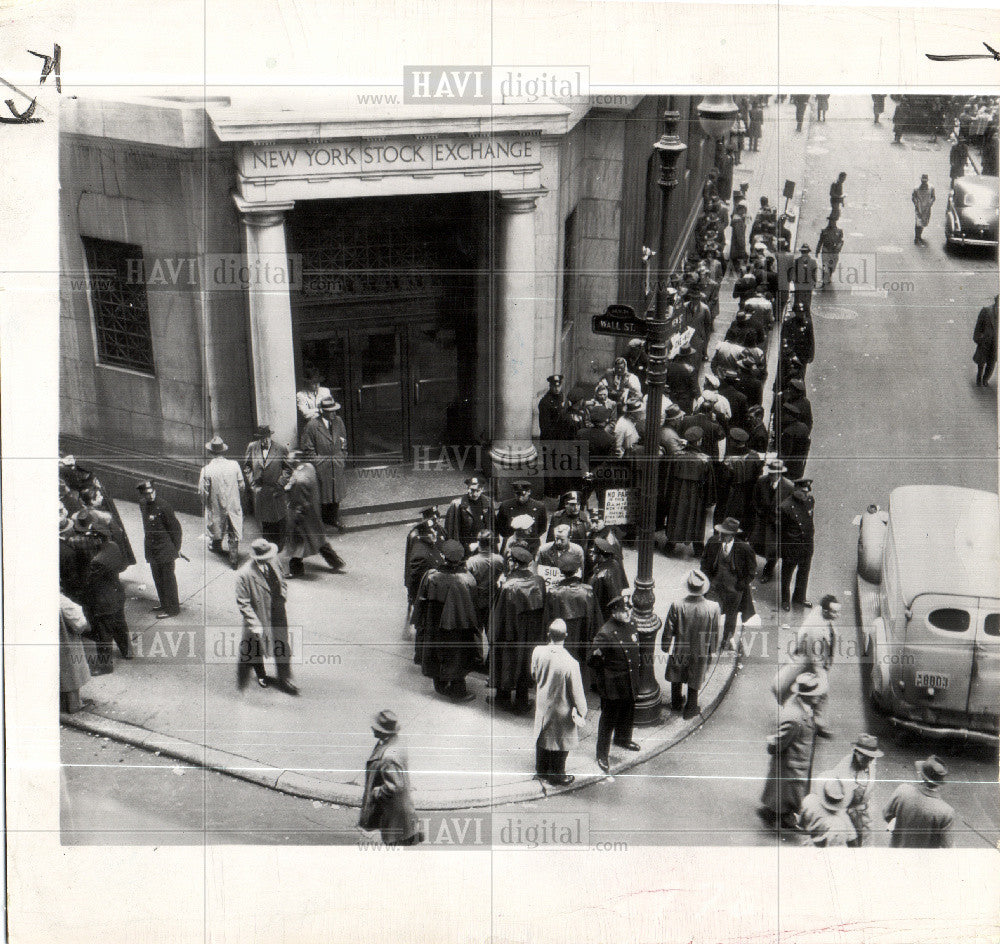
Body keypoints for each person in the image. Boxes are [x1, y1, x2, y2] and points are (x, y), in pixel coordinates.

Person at [411, 539, 480, 702]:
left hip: (434, 623)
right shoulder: (467, 579)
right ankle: (457, 690)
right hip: (457, 625)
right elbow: (474, 605)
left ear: (444, 556)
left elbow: (421, 600)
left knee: (436, 651)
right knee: (457, 654)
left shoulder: (431, 576)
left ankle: (440, 684)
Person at [758, 672, 826, 830]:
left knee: (786, 793)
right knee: (788, 793)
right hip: (791, 765)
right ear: (805, 696)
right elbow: (780, 741)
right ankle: (779, 816)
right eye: (815, 694)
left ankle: (779, 814)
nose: (819, 697)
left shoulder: (804, 707)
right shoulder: (794, 717)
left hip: (797, 762)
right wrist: (772, 744)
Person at [235, 538, 299, 695]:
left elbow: (282, 580)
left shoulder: (274, 559)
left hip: (278, 611)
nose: (268, 560)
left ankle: (284, 679)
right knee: (254, 647)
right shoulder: (244, 574)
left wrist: (282, 596)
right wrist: (254, 623)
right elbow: (243, 603)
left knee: (282, 645)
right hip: (259, 616)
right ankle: (258, 675)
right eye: (263, 559)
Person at [530, 619, 588, 786]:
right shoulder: (571, 663)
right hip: (561, 708)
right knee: (560, 742)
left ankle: (541, 771)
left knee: (542, 736)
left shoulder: (538, 651)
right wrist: (582, 711)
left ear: (549, 634)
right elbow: (577, 693)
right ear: (566, 636)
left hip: (542, 703)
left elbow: (534, 674)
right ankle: (557, 774)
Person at [490, 545, 547, 713]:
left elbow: (499, 614)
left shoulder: (509, 586)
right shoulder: (539, 581)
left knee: (506, 664)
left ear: (513, 563)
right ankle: (522, 702)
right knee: (524, 665)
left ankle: (503, 699)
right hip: (530, 634)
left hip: (510, 633)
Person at [588, 594, 642, 773]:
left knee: (628, 711)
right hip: (613, 683)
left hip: (629, 679)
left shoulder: (631, 624)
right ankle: (602, 753)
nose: (628, 613)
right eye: (623, 610)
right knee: (608, 718)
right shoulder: (606, 632)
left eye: (629, 609)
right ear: (613, 612)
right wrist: (605, 676)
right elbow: (592, 658)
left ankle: (623, 738)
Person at [359, 710, 424, 847]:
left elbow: (395, 786)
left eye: (375, 727)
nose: (372, 728)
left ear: (383, 732)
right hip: (400, 806)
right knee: (403, 834)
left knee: (395, 840)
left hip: (393, 810)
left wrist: (377, 792)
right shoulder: (395, 742)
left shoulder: (389, 757)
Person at [662, 569, 721, 718]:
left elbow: (669, 628)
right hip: (701, 648)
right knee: (696, 675)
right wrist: (712, 649)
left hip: (681, 646)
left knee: (677, 673)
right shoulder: (713, 607)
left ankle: (676, 703)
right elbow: (715, 631)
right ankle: (691, 707)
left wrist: (665, 645)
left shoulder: (677, 605)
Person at [78, 513, 132, 673]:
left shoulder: (97, 560)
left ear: (97, 539)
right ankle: (127, 651)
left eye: (91, 537)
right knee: (120, 626)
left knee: (103, 634)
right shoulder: (113, 546)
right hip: (117, 595)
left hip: (103, 601)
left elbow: (89, 582)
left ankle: (105, 666)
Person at [280, 452, 346, 577]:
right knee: (319, 540)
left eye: (290, 458)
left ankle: (296, 571)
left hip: (301, 516)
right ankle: (336, 562)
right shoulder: (309, 468)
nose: (287, 460)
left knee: (297, 543)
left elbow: (301, 500)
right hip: (313, 514)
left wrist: (296, 519)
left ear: (297, 460)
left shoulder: (300, 480)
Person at [813, 733, 884, 847]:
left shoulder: (870, 763)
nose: (869, 761)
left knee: (867, 845)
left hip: (864, 815)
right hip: (846, 814)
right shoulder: (842, 770)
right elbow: (835, 799)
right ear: (856, 752)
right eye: (866, 757)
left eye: (872, 757)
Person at [700, 517, 757, 649]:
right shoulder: (713, 542)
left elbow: (751, 572)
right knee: (712, 614)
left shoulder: (744, 549)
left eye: (725, 534)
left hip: (734, 590)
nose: (721, 536)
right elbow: (704, 561)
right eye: (721, 532)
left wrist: (741, 585)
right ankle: (710, 643)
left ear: (732, 535)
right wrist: (706, 579)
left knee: (731, 617)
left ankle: (726, 639)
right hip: (714, 587)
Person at [543, 556, 604, 675]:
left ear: (561, 571)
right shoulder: (588, 591)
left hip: (561, 638)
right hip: (582, 636)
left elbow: (547, 620)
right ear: (577, 571)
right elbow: (596, 620)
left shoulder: (554, 593)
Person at [790, 593, 840, 737]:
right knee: (821, 692)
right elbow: (814, 655)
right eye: (834, 612)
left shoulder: (824, 618)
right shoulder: (816, 629)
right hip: (814, 663)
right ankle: (817, 722)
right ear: (825, 611)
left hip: (819, 660)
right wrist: (821, 671)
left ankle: (811, 718)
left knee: (813, 692)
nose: (838, 615)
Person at [662, 427, 716, 556]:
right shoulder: (704, 460)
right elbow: (709, 483)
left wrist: (667, 496)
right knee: (696, 520)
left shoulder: (677, 457)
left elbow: (668, 479)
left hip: (678, 495)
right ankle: (698, 548)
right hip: (697, 497)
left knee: (676, 516)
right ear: (699, 441)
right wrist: (709, 500)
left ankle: (671, 544)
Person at [883, 755, 955, 848]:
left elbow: (886, 814)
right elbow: (947, 846)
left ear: (921, 775)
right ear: (939, 783)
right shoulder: (947, 812)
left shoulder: (902, 790)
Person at [299, 396, 348, 530]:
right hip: (322, 466)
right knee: (323, 494)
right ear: (323, 412)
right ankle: (322, 521)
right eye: (330, 411)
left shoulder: (338, 422)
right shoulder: (312, 426)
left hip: (336, 463)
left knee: (335, 493)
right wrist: (319, 463)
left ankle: (334, 518)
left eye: (335, 410)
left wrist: (342, 457)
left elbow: (343, 440)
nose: (334, 413)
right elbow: (307, 449)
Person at [136, 480, 182, 618]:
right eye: (146, 494)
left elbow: (176, 530)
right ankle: (164, 604)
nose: (150, 496)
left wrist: (175, 549)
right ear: (142, 495)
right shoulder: (143, 504)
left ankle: (173, 609)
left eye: (152, 493)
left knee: (168, 580)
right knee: (158, 579)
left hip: (164, 549)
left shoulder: (164, 506)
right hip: (152, 549)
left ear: (155, 490)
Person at [198, 435, 246, 569]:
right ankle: (234, 558)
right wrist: (236, 498)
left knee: (217, 525)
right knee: (233, 529)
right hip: (233, 503)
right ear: (223, 451)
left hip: (216, 503)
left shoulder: (206, 470)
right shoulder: (234, 465)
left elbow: (203, 492)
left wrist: (207, 504)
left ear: (210, 452)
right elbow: (242, 486)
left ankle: (216, 545)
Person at [243, 425, 289, 549]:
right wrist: (253, 484)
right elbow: (247, 466)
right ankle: (267, 545)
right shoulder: (252, 447)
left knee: (279, 517)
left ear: (270, 436)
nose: (264, 441)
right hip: (261, 490)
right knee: (265, 520)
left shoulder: (280, 448)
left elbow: (288, 469)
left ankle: (279, 545)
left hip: (276, 489)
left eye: (266, 438)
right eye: (261, 438)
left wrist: (280, 483)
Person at [750, 459, 794, 583]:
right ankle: (750, 568)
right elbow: (755, 499)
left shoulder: (789, 487)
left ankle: (768, 571)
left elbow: (790, 507)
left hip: (777, 523)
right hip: (762, 520)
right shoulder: (761, 481)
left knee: (774, 550)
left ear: (780, 474)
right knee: (754, 544)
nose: (772, 476)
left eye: (775, 473)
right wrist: (759, 512)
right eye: (771, 473)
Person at [779, 479, 815, 611]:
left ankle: (799, 597)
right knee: (787, 575)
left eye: (807, 492)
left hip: (806, 545)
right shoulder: (786, 507)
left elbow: (809, 522)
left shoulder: (810, 501)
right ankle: (785, 599)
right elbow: (781, 531)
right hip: (792, 547)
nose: (807, 495)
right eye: (804, 492)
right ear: (796, 490)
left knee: (804, 573)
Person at [798, 779, 856, 847]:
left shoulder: (809, 800)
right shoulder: (843, 821)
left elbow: (801, 825)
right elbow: (852, 841)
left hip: (812, 841)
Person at [445, 476, 494, 556]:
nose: (474, 494)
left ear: (482, 490)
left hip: (483, 544)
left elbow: (492, 524)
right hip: (466, 545)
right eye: (472, 490)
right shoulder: (457, 504)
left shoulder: (488, 502)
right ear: (468, 488)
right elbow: (451, 529)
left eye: (478, 491)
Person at [60, 594, 91, 713]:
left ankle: (62, 702)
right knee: (72, 674)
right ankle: (74, 705)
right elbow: (80, 624)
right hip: (66, 643)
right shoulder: (62, 602)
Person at [496, 480, 547, 550]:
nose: (520, 497)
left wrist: (531, 536)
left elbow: (542, 527)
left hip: (531, 544)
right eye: (517, 494)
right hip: (511, 543)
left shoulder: (539, 506)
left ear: (529, 492)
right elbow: (500, 525)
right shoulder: (505, 505)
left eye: (523, 494)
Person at [786, 244, 819, 314]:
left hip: (799, 284)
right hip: (807, 284)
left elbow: (793, 272)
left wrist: (793, 280)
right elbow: (814, 273)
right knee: (807, 298)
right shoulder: (813, 262)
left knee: (798, 297)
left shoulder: (797, 261)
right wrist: (814, 282)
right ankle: (806, 310)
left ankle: (798, 310)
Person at [974, 295, 998, 388]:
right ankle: (979, 378)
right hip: (985, 341)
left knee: (992, 363)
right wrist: (977, 338)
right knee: (981, 361)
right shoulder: (986, 311)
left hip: (996, 344)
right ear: (996, 302)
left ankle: (985, 379)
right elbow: (978, 326)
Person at [816, 216, 844, 289]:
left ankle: (829, 276)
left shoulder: (839, 231)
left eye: (833, 221)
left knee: (832, 267)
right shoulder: (824, 231)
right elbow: (820, 241)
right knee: (825, 266)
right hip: (826, 251)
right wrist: (817, 251)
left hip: (834, 253)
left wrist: (839, 247)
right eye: (830, 221)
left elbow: (841, 241)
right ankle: (824, 281)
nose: (832, 223)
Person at [912, 174, 935, 245]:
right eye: (923, 181)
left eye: (925, 181)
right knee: (918, 222)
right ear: (921, 180)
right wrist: (916, 204)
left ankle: (919, 236)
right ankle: (916, 237)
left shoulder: (931, 188)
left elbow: (933, 197)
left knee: (924, 222)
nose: (924, 182)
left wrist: (930, 204)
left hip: (926, 208)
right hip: (919, 207)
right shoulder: (916, 188)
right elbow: (913, 197)